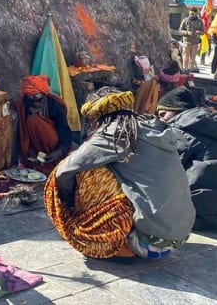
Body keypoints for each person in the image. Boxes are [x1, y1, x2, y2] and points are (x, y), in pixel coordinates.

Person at [44, 87, 194, 260]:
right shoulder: (152, 126)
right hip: (176, 238)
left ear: (97, 117)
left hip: (147, 242)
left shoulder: (116, 132)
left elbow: (63, 172)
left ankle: (111, 241)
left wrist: (70, 204)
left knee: (87, 173)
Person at [156, 86, 217, 230]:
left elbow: (163, 170)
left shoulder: (180, 131)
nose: (160, 120)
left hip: (204, 216)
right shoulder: (216, 127)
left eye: (163, 114)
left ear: (176, 111)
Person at [15, 75, 72, 172]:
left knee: (34, 121)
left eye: (38, 99)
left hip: (53, 144)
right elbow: (22, 133)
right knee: (32, 120)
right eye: (31, 100)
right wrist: (28, 149)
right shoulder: (22, 104)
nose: (35, 104)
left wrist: (59, 151)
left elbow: (65, 134)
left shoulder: (55, 105)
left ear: (45, 94)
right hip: (34, 147)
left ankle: (53, 163)